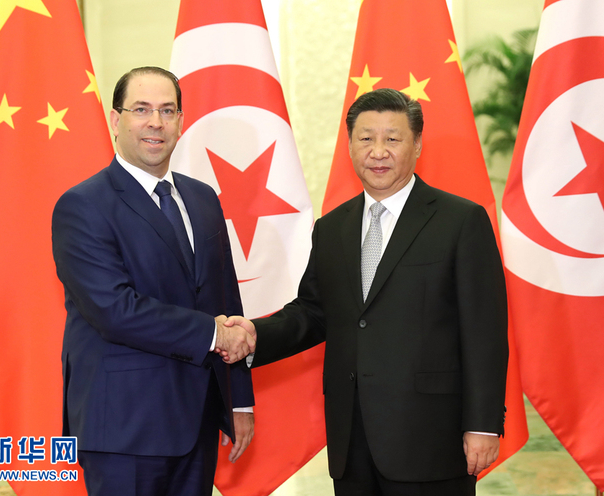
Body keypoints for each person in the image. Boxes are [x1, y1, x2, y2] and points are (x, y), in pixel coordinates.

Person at [226, 88, 508, 496]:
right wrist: (253, 335)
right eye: (366, 138)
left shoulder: (460, 221)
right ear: (350, 145)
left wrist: (482, 424)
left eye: (392, 139)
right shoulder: (332, 227)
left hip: (432, 438)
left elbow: (484, 332)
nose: (378, 151)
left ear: (417, 145)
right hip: (352, 440)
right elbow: (313, 312)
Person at [51, 66, 255, 496]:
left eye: (167, 110)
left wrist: (237, 398)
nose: (155, 123)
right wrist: (212, 333)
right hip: (124, 428)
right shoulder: (83, 206)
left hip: (197, 419)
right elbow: (114, 310)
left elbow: (225, 298)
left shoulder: (202, 198)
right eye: (141, 109)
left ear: (181, 121)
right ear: (115, 120)